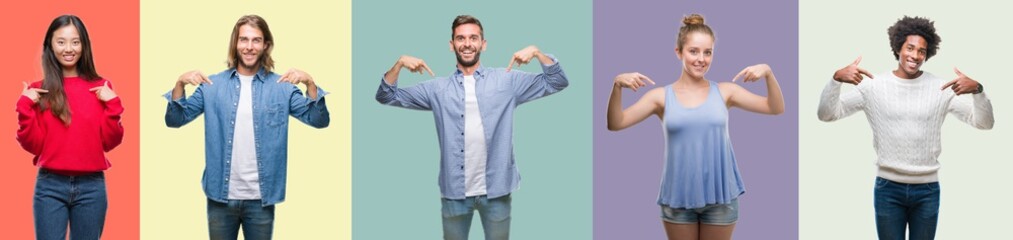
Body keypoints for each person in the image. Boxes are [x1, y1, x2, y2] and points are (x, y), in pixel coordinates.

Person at [374, 14, 568, 240]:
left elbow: (557, 81)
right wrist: (398, 65)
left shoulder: (506, 81)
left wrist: (537, 53)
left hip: (497, 191)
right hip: (454, 194)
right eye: (461, 38)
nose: (467, 44)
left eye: (473, 38)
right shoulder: (437, 89)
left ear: (483, 44)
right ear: (451, 44)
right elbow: (385, 96)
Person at [606, 14, 785, 240]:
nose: (701, 59)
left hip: (721, 197)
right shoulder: (660, 97)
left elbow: (775, 107)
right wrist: (617, 86)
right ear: (678, 52)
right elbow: (616, 123)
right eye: (694, 51)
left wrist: (768, 72)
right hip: (678, 199)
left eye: (707, 52)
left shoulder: (725, 91)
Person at [817, 16, 993, 240]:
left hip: (927, 191)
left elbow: (984, 123)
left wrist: (978, 90)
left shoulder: (941, 88)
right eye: (910, 48)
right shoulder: (873, 86)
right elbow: (827, 114)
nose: (915, 56)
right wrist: (835, 80)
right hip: (888, 190)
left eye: (921, 51)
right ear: (898, 47)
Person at [164, 14, 329, 240]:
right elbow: (175, 120)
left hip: (261, 198)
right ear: (235, 43)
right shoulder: (211, 86)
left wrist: (310, 83)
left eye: (256, 40)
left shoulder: (283, 88)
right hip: (220, 198)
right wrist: (179, 84)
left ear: (266, 45)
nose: (249, 47)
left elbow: (319, 120)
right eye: (244, 40)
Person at [17, 15, 124, 240]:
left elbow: (109, 142)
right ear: (50, 45)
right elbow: (34, 145)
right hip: (50, 186)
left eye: (75, 42)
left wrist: (113, 105)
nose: (69, 48)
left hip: (91, 187)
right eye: (61, 41)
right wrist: (25, 107)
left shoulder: (100, 87)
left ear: (84, 45)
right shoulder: (40, 91)